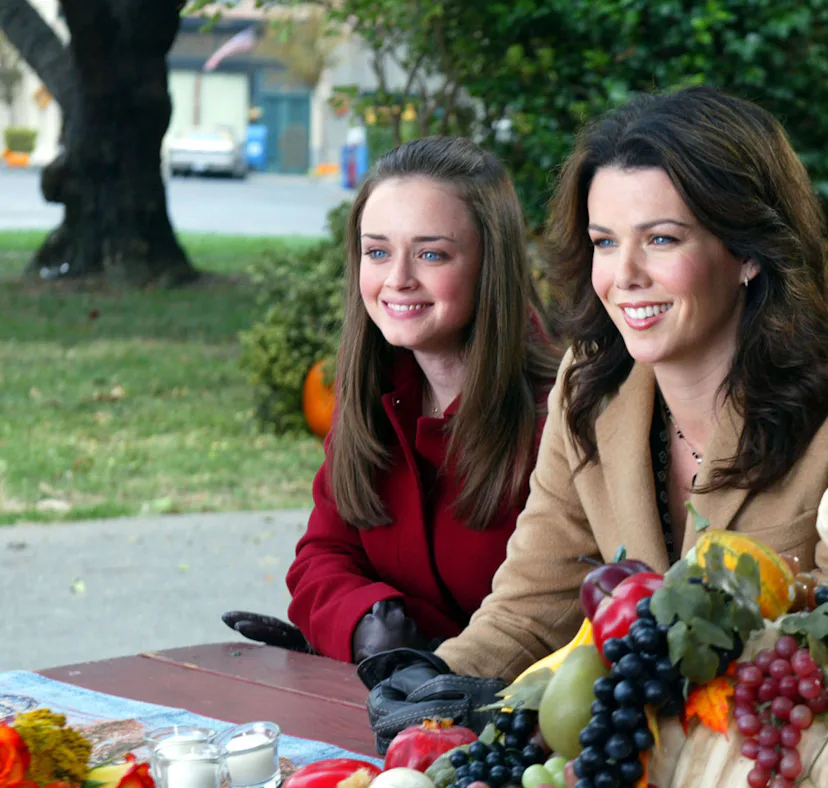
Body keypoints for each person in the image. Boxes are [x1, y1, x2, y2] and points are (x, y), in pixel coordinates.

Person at [361, 86, 828, 749]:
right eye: (605, 242)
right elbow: (534, 601)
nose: (624, 274)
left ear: (749, 252)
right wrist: (441, 680)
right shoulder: (590, 387)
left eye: (661, 239)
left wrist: (543, 704)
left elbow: (812, 672)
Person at [223, 136, 559, 664]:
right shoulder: (373, 393)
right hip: (387, 712)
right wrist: (364, 622)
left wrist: (420, 653)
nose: (397, 280)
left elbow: (550, 611)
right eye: (377, 252)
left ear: (489, 264)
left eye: (430, 254)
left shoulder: (559, 413)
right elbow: (323, 556)